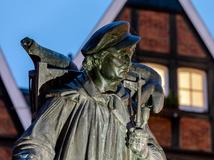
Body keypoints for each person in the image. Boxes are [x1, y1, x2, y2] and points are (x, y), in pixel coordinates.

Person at [13, 21, 166, 160]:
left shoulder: (130, 111)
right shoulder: (68, 99)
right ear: (98, 60)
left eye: (129, 56)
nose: (127, 62)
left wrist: (144, 151)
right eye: (121, 56)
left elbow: (158, 156)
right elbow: (36, 144)